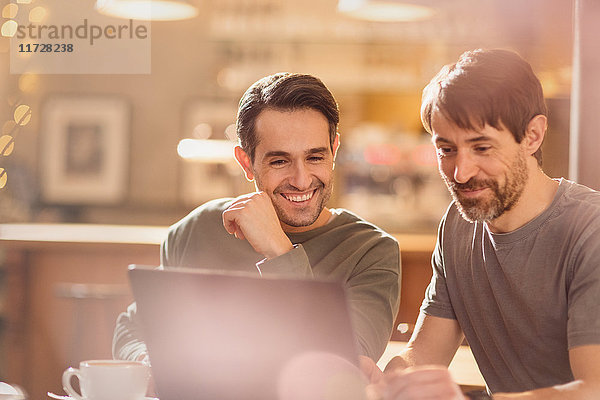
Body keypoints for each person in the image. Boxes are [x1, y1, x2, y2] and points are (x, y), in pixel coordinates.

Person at [113, 73, 401, 366]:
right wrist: (148, 362)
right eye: (279, 161)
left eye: (315, 158)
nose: (302, 181)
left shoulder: (372, 252)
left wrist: (280, 251)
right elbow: (133, 330)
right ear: (246, 162)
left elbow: (345, 365)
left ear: (334, 151)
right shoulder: (196, 230)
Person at [364, 49, 600, 399]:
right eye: (446, 150)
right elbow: (424, 354)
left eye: (482, 148)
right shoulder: (459, 227)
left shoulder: (590, 231)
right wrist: (390, 380)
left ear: (532, 135)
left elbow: (593, 389)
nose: (462, 172)